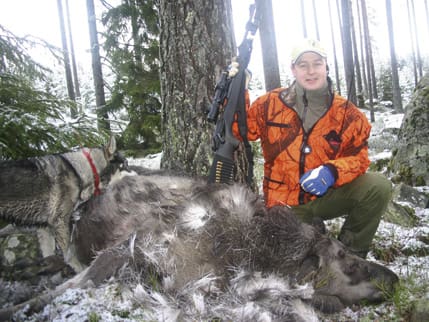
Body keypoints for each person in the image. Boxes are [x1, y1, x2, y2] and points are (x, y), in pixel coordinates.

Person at [233, 38, 392, 258]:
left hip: (327, 195)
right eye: (303, 64)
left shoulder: (348, 114)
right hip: (284, 205)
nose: (310, 71)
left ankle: (351, 255)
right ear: (293, 69)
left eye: (317, 63)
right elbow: (240, 131)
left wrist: (332, 171)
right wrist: (238, 90)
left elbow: (359, 158)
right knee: (290, 263)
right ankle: (312, 238)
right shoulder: (269, 105)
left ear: (326, 66)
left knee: (378, 186)